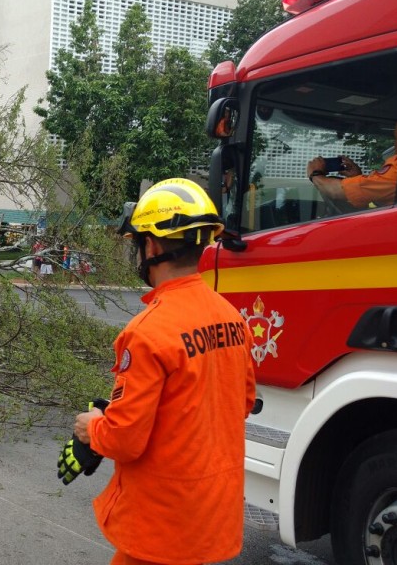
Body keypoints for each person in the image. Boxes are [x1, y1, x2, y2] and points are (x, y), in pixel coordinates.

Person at [63, 179, 256, 565]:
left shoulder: (148, 331)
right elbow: (241, 402)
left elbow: (124, 440)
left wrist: (92, 426)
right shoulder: (232, 318)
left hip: (161, 524)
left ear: (149, 247)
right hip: (210, 517)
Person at [307, 115, 397, 209]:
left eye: (395, 138)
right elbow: (376, 194)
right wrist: (356, 177)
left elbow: (334, 191)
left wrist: (315, 173)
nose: (394, 144)